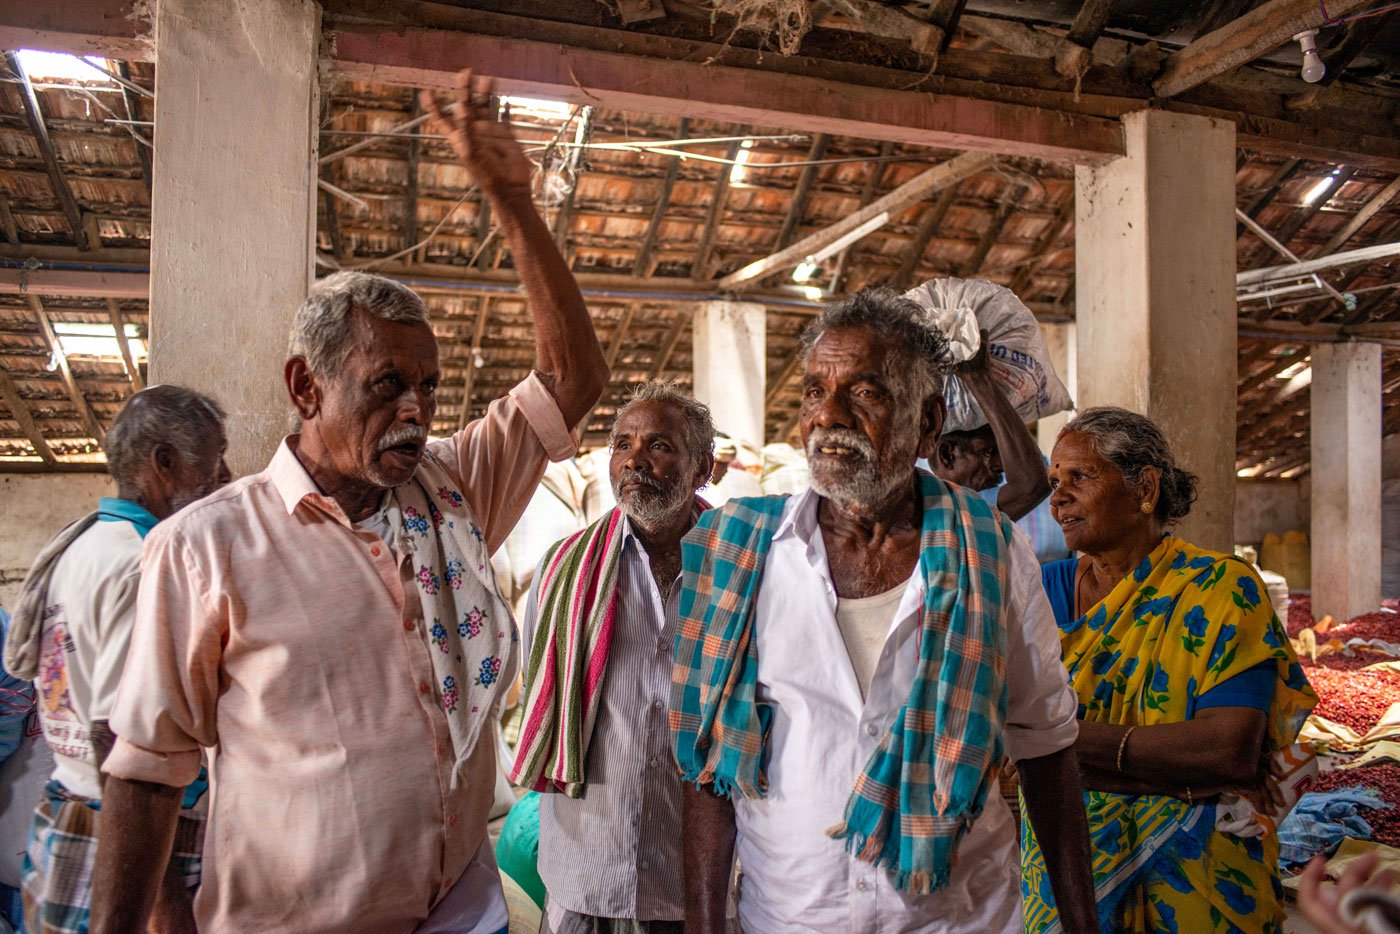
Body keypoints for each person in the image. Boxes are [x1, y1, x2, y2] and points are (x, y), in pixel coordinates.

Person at [90, 70, 608, 934]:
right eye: (386, 386)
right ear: (305, 385)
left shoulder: (452, 488)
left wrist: (513, 200)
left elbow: (573, 378)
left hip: (462, 910)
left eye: (429, 387)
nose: (416, 409)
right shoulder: (206, 548)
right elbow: (146, 776)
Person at [671, 288, 1098, 934]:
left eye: (865, 393)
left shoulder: (994, 553)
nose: (828, 416)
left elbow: (1046, 752)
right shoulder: (743, 555)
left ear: (927, 423)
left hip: (957, 920)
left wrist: (1081, 926)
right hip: (791, 920)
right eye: (815, 392)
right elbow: (708, 773)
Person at [1023, 407, 1316, 932]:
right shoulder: (1041, 592)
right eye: (1053, 481)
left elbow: (1226, 750)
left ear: (1147, 489)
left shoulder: (1221, 590)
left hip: (1199, 879)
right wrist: (1167, 774)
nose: (1057, 497)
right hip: (1069, 872)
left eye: (1080, 477)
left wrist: (1058, 745)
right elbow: (1003, 740)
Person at [3, 385, 229, 934]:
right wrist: (162, 899)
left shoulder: (81, 546)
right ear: (165, 464)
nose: (225, 479)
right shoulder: (142, 565)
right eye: (216, 458)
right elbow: (120, 737)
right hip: (127, 837)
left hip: (71, 805)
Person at [512, 380, 715, 934]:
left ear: (703, 468)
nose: (635, 461)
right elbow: (544, 694)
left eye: (659, 446)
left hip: (695, 876)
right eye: (622, 445)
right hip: (587, 867)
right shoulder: (566, 572)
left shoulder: (736, 570)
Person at [930, 329, 1050, 522]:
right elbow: (1032, 485)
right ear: (947, 455)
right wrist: (978, 379)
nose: (1002, 466)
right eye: (988, 451)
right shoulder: (950, 511)